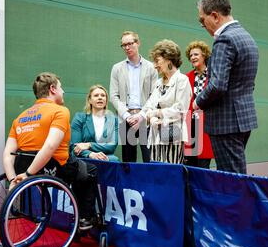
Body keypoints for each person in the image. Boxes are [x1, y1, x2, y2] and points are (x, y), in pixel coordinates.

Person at [2, 72, 97, 230]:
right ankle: (85, 218)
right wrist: (29, 175)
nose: (63, 91)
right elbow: (50, 146)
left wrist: (13, 179)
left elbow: (8, 154)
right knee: (90, 170)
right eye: (61, 88)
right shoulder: (60, 111)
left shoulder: (19, 117)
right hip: (53, 169)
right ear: (53, 89)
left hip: (22, 166)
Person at [193, 0, 259, 174]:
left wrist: (198, 101)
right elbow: (248, 83)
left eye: (202, 20)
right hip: (243, 118)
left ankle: (239, 204)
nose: (202, 25)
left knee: (231, 179)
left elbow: (217, 85)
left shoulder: (225, 40)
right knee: (235, 173)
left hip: (225, 122)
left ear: (214, 16)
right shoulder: (247, 37)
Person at [138, 39, 192, 164]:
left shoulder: (182, 80)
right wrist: (152, 119)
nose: (155, 65)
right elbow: (149, 107)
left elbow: (180, 110)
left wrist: (156, 113)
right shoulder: (158, 83)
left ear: (168, 59)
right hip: (155, 135)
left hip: (173, 134)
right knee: (156, 173)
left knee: (171, 174)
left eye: (157, 61)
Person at [110, 30, 158, 163]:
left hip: (146, 118)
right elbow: (113, 96)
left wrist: (141, 115)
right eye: (124, 45)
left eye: (130, 43)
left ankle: (150, 183)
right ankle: (129, 184)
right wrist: (127, 116)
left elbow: (154, 95)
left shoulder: (152, 68)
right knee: (128, 161)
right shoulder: (117, 68)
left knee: (149, 159)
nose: (127, 47)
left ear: (138, 43)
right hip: (126, 119)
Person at [184, 40, 214, 169]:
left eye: (196, 54)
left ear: (204, 55)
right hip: (190, 125)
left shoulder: (213, 76)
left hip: (206, 125)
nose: (193, 57)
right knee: (190, 166)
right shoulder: (187, 77)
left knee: (203, 166)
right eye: (190, 56)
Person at [70, 84, 119, 162]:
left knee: (114, 160)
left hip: (106, 157)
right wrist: (90, 154)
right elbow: (74, 146)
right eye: (96, 95)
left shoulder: (114, 120)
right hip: (84, 156)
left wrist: (89, 145)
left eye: (103, 95)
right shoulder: (79, 118)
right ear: (90, 100)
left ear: (106, 100)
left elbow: (111, 146)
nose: (100, 97)